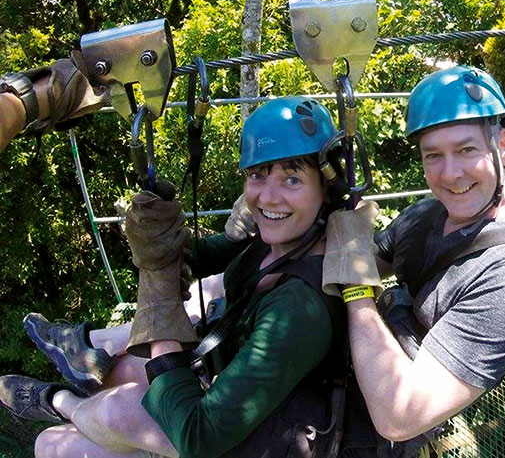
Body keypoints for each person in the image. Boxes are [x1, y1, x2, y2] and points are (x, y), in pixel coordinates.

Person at [0, 96, 379, 458]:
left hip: (265, 441)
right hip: (236, 391)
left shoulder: (300, 306)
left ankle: (56, 401)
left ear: (326, 185)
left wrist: (161, 307)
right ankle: (72, 397)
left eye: (292, 179)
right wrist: (160, 239)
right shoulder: (278, 241)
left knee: (58, 441)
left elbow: (200, 437)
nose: (269, 196)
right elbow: (200, 256)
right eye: (258, 175)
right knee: (117, 371)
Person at [321, 65, 505, 444]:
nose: (450, 174)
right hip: (369, 365)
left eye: (466, 149)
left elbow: (398, 417)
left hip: (397, 421)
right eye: (433, 155)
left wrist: (355, 290)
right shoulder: (426, 214)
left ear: (502, 145)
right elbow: (373, 259)